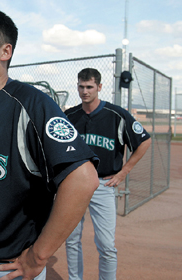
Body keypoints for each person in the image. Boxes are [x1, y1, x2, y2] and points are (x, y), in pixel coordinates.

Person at [0, 8, 100, 280]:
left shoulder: (31, 104)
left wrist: (38, 255)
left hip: (2, 270)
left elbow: (83, 178)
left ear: (5, 52)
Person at [65, 68, 152, 280]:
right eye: (81, 86)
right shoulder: (69, 116)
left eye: (89, 87)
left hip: (103, 185)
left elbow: (144, 141)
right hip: (75, 186)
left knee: (106, 245)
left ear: (100, 87)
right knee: (71, 240)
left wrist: (124, 172)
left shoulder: (116, 114)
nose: (84, 91)